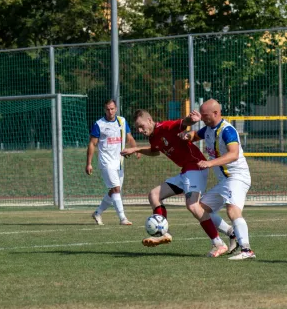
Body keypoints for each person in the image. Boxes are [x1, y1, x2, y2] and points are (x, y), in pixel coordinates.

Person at [121, 109, 237, 257]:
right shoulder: (153, 137)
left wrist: (192, 120)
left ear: (150, 120)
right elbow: (155, 151)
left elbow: (183, 123)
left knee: (193, 206)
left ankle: (218, 243)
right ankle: (164, 233)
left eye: (141, 126)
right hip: (186, 171)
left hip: (196, 166)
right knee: (154, 195)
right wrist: (137, 149)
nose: (140, 130)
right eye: (137, 128)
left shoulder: (165, 127)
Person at [179, 99, 255, 260]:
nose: (202, 118)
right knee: (201, 209)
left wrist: (210, 162)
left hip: (237, 177)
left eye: (205, 115)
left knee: (232, 210)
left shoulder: (227, 130)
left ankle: (247, 250)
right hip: (225, 181)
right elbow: (194, 135)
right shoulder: (207, 129)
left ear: (216, 113)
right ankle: (231, 233)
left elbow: (233, 154)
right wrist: (187, 135)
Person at [86, 99, 139, 226]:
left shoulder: (122, 121)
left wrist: (136, 149)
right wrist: (89, 163)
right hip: (106, 162)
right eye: (108, 109)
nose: (110, 111)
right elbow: (92, 144)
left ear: (116, 108)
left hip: (119, 162)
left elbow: (129, 137)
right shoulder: (99, 124)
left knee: (114, 191)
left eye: (112, 109)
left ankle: (97, 213)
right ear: (105, 110)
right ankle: (123, 218)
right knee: (116, 189)